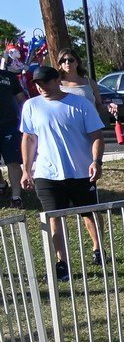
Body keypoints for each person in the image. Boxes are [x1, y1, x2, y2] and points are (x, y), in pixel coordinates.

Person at [19, 65, 106, 281]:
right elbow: (29, 138)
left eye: (46, 83)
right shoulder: (31, 106)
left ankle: (98, 249)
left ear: (57, 80)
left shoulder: (80, 104)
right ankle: (62, 263)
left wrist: (96, 162)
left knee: (89, 213)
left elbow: (96, 136)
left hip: (81, 171)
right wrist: (26, 170)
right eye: (38, 84)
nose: (42, 88)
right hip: (46, 173)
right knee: (53, 217)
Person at [0, 54, 27, 207]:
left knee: (13, 161)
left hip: (9, 125)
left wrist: (27, 116)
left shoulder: (9, 77)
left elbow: (21, 99)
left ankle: (16, 197)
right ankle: (2, 185)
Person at [56, 49, 104, 118]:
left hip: (91, 124)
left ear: (77, 62)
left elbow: (99, 106)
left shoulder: (90, 83)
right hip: (68, 125)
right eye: (63, 61)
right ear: (60, 64)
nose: (67, 63)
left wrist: (108, 107)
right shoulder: (56, 84)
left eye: (71, 60)